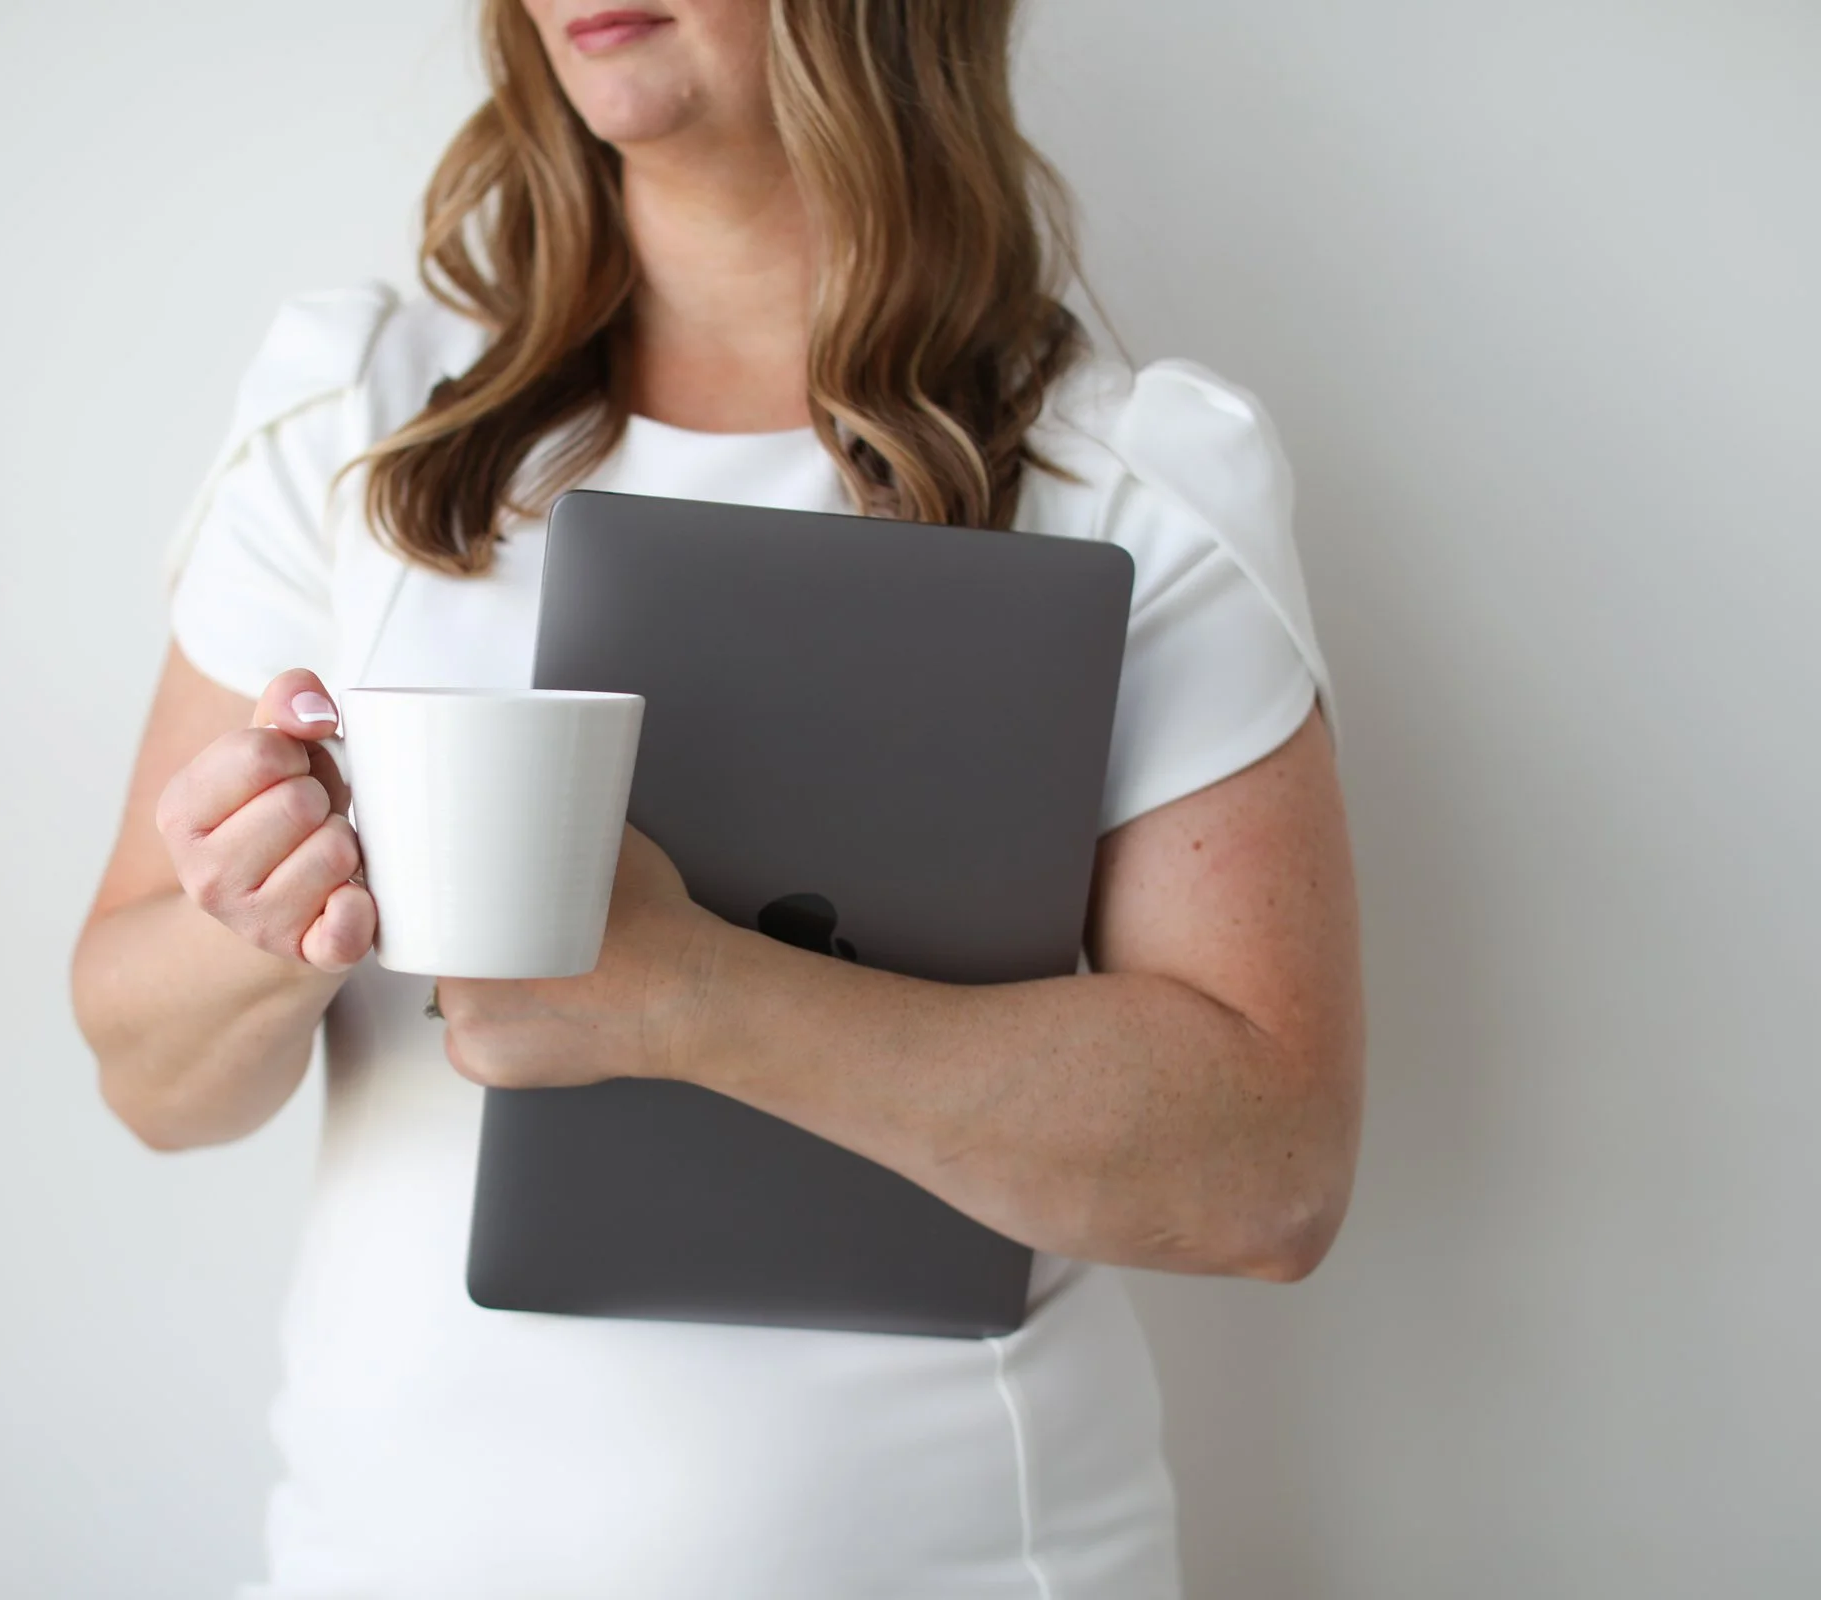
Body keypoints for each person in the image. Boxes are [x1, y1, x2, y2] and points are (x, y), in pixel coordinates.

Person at [72, 0, 1367, 1593]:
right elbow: (150, 1080)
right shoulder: (359, 422)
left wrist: (690, 997)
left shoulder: (1129, 479)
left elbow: (1271, 1177)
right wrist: (263, 922)